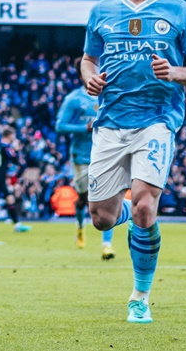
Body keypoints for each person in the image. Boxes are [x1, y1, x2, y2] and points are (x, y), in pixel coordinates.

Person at [82, 0, 186, 324]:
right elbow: (87, 58)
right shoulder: (101, 11)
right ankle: (127, 216)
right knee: (101, 217)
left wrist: (174, 72)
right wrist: (88, 75)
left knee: (144, 204)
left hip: (157, 121)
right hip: (109, 123)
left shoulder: (180, 12)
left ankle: (139, 297)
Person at [54, 66, 115, 259]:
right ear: (83, 74)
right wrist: (85, 127)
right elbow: (60, 126)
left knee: (108, 198)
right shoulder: (74, 99)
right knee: (84, 199)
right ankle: (80, 224)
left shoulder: (111, 95)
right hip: (82, 156)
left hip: (106, 154)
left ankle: (107, 245)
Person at [0, 126, 30, 234]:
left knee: (10, 198)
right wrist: (16, 150)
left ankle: (17, 224)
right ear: (9, 135)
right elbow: (14, 159)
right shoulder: (6, 147)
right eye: (13, 135)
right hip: (0, 176)